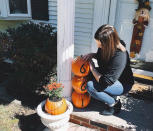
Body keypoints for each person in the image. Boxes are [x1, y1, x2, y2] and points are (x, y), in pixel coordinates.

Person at [82, 24, 134, 115]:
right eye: (97, 43)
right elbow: (101, 57)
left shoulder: (120, 56)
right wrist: (92, 55)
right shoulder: (106, 47)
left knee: (90, 86)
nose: (98, 46)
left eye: (100, 45)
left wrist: (93, 68)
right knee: (90, 75)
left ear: (108, 43)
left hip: (123, 83)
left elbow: (105, 81)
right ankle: (110, 95)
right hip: (110, 76)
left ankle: (114, 104)